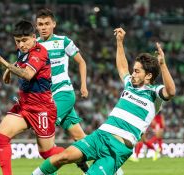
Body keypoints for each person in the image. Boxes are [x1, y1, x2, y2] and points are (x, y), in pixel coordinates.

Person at [31, 27, 176, 175]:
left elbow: (171, 92)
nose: (132, 74)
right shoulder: (130, 84)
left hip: (118, 149)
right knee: (63, 157)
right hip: (100, 136)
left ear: (148, 76)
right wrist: (119, 42)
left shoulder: (154, 94)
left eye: (137, 71)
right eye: (134, 70)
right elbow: (122, 66)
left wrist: (163, 65)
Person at [0, 20, 64, 175]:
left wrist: (5, 65)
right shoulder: (23, 51)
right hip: (25, 105)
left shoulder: (39, 52)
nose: (21, 45)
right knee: (1, 137)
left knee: (47, 153)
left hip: (42, 108)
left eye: (25, 40)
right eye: (18, 41)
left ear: (34, 37)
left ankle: (83, 154)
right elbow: (19, 62)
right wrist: (9, 71)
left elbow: (28, 74)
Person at [35, 8, 89, 172]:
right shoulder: (35, 46)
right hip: (48, 97)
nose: (43, 27)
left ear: (54, 24)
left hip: (64, 93)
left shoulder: (63, 41)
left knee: (44, 129)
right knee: (80, 138)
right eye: (40, 24)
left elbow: (81, 62)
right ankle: (108, 166)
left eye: (46, 24)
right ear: (36, 27)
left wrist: (83, 85)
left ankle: (46, 170)